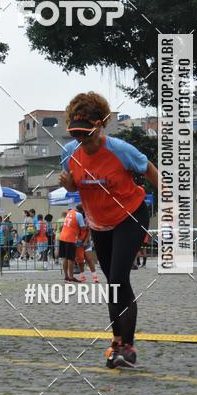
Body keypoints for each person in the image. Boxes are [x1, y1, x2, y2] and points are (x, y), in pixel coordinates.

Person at [60, 92, 158, 369]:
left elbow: (150, 171)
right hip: (99, 222)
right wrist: (69, 186)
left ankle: (128, 347)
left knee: (118, 279)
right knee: (112, 286)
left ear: (101, 125)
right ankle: (117, 342)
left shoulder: (120, 149)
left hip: (130, 216)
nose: (83, 140)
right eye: (77, 134)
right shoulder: (70, 153)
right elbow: (75, 186)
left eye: (88, 134)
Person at [58, 207, 85, 282]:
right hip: (71, 238)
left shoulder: (69, 212)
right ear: (82, 210)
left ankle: (66, 276)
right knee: (71, 258)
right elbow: (82, 227)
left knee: (65, 258)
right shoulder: (79, 215)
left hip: (62, 237)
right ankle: (71, 277)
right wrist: (87, 226)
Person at [74, 205, 100, 283]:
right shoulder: (75, 218)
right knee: (80, 260)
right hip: (78, 242)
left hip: (86, 242)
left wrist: (85, 241)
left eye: (77, 211)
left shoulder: (87, 219)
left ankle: (95, 277)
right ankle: (82, 276)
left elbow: (89, 231)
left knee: (89, 259)